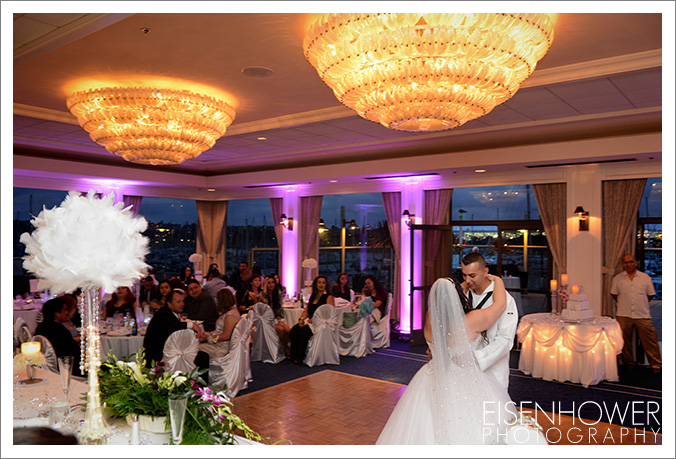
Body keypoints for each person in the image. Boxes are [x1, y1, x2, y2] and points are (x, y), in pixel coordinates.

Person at [376, 277, 515, 445]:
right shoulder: (472, 320)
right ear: (458, 295)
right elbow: (500, 305)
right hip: (464, 378)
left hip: (433, 377)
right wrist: (497, 280)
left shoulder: (429, 318)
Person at [460, 252, 518, 390]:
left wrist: (477, 358)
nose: (467, 280)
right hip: (463, 369)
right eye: (464, 275)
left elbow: (505, 339)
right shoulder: (462, 295)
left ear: (486, 272)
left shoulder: (506, 300)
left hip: (493, 370)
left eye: (472, 275)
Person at [610, 254, 661, 373]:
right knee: (624, 341)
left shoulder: (645, 278)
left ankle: (656, 364)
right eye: (626, 262)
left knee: (650, 340)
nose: (628, 264)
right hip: (623, 314)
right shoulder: (617, 279)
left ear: (636, 263)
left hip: (642, 314)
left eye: (631, 262)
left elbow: (650, 295)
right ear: (623, 265)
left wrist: (640, 303)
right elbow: (614, 294)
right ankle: (628, 363)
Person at [142, 289, 208, 378]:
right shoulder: (163, 313)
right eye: (178, 302)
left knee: (199, 355)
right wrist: (191, 325)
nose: (182, 304)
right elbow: (171, 326)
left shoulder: (169, 313)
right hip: (158, 357)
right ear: (169, 303)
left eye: (183, 301)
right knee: (202, 357)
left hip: (165, 352)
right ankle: (197, 384)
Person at [288, 276, 334, 364]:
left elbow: (329, 313)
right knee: (294, 329)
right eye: (319, 282)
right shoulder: (313, 296)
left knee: (303, 332)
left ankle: (301, 356)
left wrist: (315, 320)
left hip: (320, 323)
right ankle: (293, 354)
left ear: (326, 285)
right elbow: (307, 310)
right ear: (316, 284)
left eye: (323, 283)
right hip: (310, 321)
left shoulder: (328, 297)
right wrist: (301, 319)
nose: (321, 285)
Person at [35, 297, 83, 376]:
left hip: (45, 365)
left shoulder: (41, 326)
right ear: (56, 314)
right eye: (64, 310)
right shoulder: (59, 329)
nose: (67, 312)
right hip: (65, 366)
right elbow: (72, 350)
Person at [198, 288, 241, 360]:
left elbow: (226, 336)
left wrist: (209, 338)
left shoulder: (230, 316)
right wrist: (209, 334)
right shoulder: (229, 311)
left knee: (193, 348)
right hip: (219, 342)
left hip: (223, 347)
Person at [261, 275, 291, 358]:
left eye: (272, 282)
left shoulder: (276, 295)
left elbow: (277, 310)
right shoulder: (262, 295)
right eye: (269, 283)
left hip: (275, 319)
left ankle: (293, 348)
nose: (271, 285)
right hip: (266, 320)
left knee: (288, 330)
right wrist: (264, 287)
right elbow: (263, 302)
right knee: (281, 329)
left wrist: (278, 318)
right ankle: (286, 348)